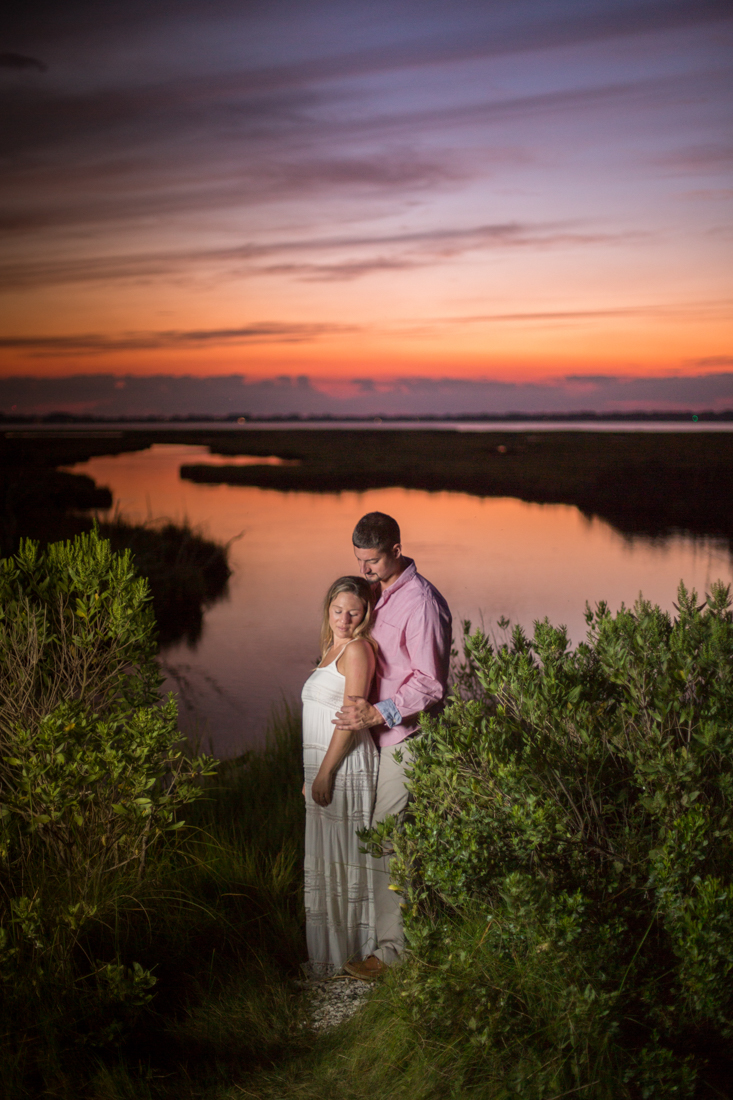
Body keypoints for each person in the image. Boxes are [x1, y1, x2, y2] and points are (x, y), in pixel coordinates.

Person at [336, 512, 452, 980]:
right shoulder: (383, 595)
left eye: (374, 561)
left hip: (409, 739)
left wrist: (376, 713)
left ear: (397, 551)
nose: (365, 571)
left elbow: (430, 684)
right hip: (379, 741)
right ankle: (406, 937)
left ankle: (391, 958)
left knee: (385, 839)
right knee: (394, 839)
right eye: (360, 561)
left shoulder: (420, 602)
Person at [301, 575, 380, 978]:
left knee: (346, 859)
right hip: (324, 767)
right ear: (328, 609)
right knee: (327, 860)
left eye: (354, 611)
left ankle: (354, 955)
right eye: (337, 611)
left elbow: (351, 720)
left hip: (345, 766)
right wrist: (311, 774)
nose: (345, 619)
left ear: (366, 613)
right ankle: (328, 961)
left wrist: (325, 773)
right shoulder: (331, 647)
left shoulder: (358, 650)